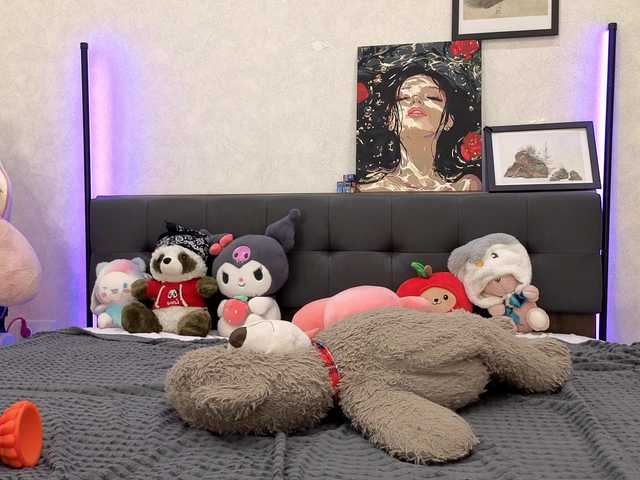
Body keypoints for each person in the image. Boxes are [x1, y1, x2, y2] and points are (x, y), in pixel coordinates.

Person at [357, 52, 482, 192]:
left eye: (432, 97)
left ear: (448, 120)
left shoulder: (465, 186)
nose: (416, 100)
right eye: (403, 98)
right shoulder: (369, 190)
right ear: (390, 120)